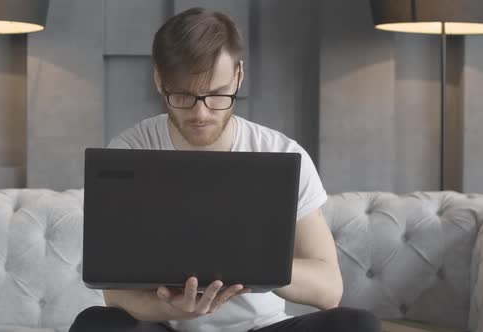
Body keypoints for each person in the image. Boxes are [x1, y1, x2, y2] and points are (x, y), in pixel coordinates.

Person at [70, 7, 381, 332]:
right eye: (184, 96)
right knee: (95, 324)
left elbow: (329, 289)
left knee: (358, 325)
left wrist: (250, 263)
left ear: (238, 76)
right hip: (168, 327)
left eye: (217, 94)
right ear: (160, 80)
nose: (201, 113)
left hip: (261, 328)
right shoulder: (129, 152)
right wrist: (170, 306)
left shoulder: (281, 153)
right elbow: (114, 295)